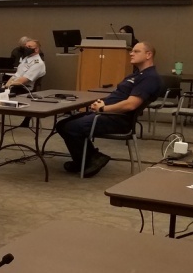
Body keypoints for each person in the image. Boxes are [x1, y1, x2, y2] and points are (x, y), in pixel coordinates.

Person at [56, 42, 160, 177]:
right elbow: (119, 96)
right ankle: (87, 159)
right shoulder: (134, 75)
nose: (131, 53)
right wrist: (101, 103)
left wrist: (104, 108)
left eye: (136, 51)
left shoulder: (150, 78)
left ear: (148, 55)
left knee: (71, 127)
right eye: (132, 51)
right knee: (62, 125)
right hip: (107, 114)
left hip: (119, 119)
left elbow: (130, 105)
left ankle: (89, 159)